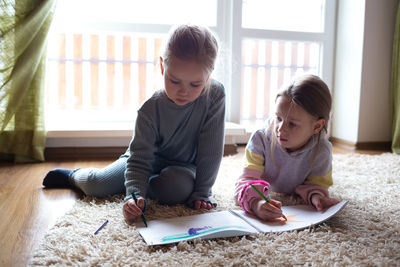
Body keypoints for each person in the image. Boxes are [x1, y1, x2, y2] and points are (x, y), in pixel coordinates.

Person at [43, 24, 225, 223]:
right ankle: (73, 176)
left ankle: (139, 185)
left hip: (183, 168)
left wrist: (202, 193)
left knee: (178, 189)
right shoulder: (151, 108)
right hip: (144, 160)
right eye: (174, 81)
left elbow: (211, 150)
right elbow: (139, 159)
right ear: (162, 66)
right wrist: (134, 195)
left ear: (208, 76)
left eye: (195, 84)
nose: (184, 91)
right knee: (98, 185)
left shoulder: (215, 96)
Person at [235, 74, 339, 222]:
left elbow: (316, 185)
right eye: (278, 118)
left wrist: (318, 197)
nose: (280, 129)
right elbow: (246, 181)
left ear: (317, 126)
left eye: (292, 124)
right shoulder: (260, 138)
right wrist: (256, 203)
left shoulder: (322, 150)